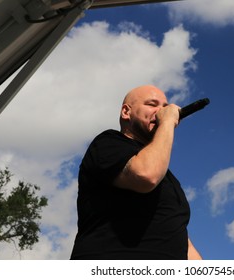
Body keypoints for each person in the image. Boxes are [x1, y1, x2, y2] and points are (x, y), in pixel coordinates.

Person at [70, 85, 202, 260]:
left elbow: (181, 238)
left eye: (165, 106)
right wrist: (168, 121)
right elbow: (146, 175)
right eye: (152, 104)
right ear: (126, 111)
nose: (162, 111)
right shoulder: (108, 143)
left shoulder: (169, 179)